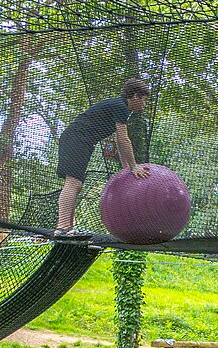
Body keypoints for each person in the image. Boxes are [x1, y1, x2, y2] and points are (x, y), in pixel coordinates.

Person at [55, 77, 151, 235]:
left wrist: (126, 168)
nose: (144, 105)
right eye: (143, 100)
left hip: (80, 141)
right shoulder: (121, 107)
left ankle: (67, 228)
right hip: (77, 139)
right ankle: (63, 228)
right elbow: (123, 139)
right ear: (135, 96)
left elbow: (119, 143)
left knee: (75, 185)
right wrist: (134, 167)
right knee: (73, 183)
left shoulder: (119, 107)